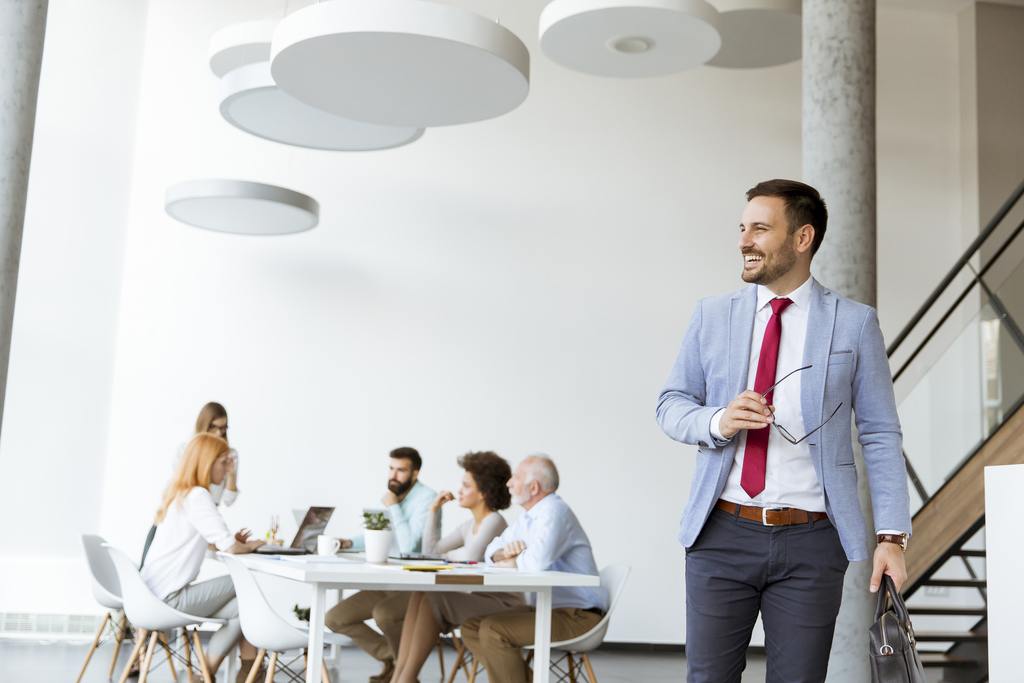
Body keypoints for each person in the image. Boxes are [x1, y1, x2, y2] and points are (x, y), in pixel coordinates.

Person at [656, 179, 911, 683]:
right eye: (742, 227)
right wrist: (718, 420)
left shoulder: (855, 324)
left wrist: (891, 536)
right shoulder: (712, 315)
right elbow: (670, 405)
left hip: (812, 543)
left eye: (760, 228)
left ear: (802, 238)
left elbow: (880, 433)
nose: (744, 240)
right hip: (720, 533)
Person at [460, 455, 607, 683]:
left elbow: (537, 563)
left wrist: (513, 561)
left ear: (534, 487)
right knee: (471, 627)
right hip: (549, 610)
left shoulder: (554, 512)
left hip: (579, 615)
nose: (509, 483)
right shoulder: (529, 516)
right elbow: (492, 550)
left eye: (516, 477)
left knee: (492, 630)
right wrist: (503, 554)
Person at [391, 451, 523, 683]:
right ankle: (401, 676)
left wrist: (449, 557)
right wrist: (434, 511)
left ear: (483, 492)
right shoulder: (470, 524)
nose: (459, 490)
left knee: (434, 598)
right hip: (481, 598)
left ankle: (406, 678)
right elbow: (432, 552)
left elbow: (473, 557)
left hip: (504, 605)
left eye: (465, 485)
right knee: (420, 594)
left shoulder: (494, 521)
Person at [140, 433, 264, 679]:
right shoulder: (198, 496)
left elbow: (206, 542)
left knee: (244, 606)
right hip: (169, 599)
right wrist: (255, 545)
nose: (228, 468)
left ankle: (206, 674)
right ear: (207, 462)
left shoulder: (181, 494)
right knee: (249, 582)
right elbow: (229, 547)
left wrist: (228, 543)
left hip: (149, 597)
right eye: (223, 462)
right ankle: (209, 672)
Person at [325, 447, 439, 683]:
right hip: (387, 580)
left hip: (413, 585)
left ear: (415, 473)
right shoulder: (395, 496)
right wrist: (349, 542)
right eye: (391, 469)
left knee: (384, 614)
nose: (394, 475)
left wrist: (394, 506)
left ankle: (403, 672)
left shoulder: (427, 498)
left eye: (401, 470)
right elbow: (383, 533)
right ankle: (395, 659)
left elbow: (408, 546)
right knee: (335, 619)